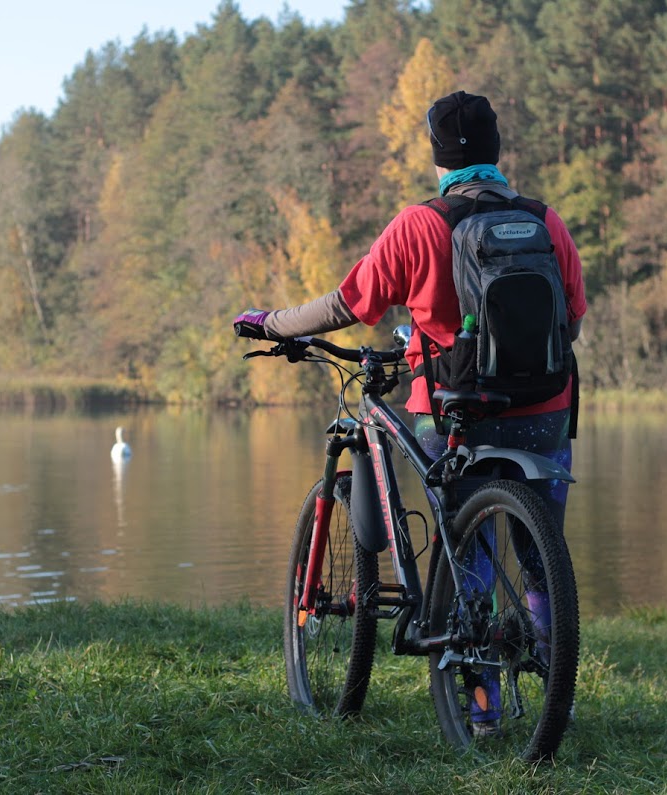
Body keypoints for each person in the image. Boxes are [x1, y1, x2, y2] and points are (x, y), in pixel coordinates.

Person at [234, 90, 587, 737]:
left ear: (437, 155)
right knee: (540, 557)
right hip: (546, 411)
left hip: (457, 411)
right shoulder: (545, 221)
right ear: (496, 150)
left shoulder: (422, 224)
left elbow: (349, 303)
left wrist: (273, 321)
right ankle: (550, 694)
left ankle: (481, 709)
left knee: (469, 554)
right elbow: (575, 313)